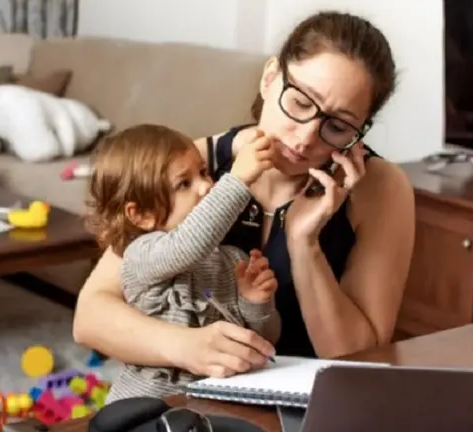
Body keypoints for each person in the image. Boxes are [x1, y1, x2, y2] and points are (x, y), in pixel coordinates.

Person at [73, 11, 416, 377]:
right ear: (270, 78)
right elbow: (91, 315)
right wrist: (184, 346)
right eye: (300, 103)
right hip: (195, 394)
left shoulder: (380, 190)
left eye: (337, 126)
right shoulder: (196, 167)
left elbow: (358, 361)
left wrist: (304, 244)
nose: (304, 138)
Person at [84, 124, 281, 402]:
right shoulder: (140, 254)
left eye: (203, 172)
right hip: (146, 406)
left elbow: (264, 341)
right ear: (141, 215)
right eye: (183, 184)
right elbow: (186, 246)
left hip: (212, 404)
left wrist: (257, 302)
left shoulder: (233, 259)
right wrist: (237, 180)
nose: (206, 186)